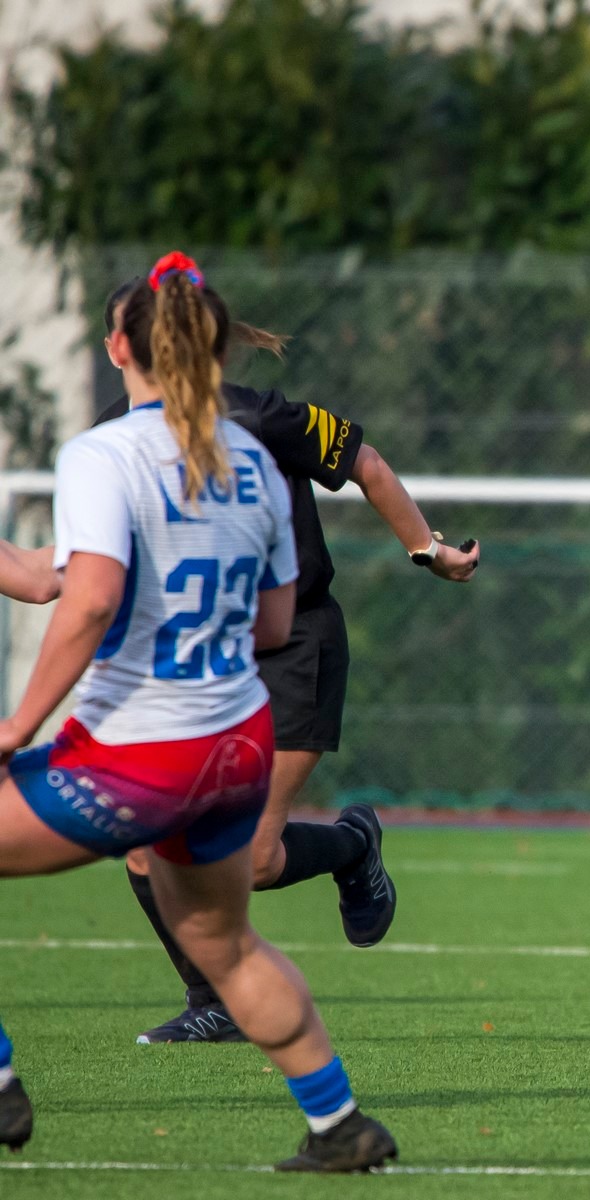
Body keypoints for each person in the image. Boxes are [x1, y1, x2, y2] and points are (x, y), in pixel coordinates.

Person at [0, 252, 396, 1169]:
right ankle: (341, 1127)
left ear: (118, 348)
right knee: (228, 942)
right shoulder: (250, 458)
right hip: (236, 743)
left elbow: (85, 597)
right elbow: (274, 620)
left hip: (143, 752)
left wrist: (19, 726)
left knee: (223, 935)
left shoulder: (103, 453)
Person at [88, 271, 480, 1043]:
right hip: (197, 660)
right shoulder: (111, 438)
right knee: (144, 847)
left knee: (255, 859)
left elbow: (364, 462)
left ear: (125, 345)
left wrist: (425, 548)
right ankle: (214, 1002)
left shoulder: (260, 417)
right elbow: (81, 568)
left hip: (294, 643)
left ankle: (352, 846)